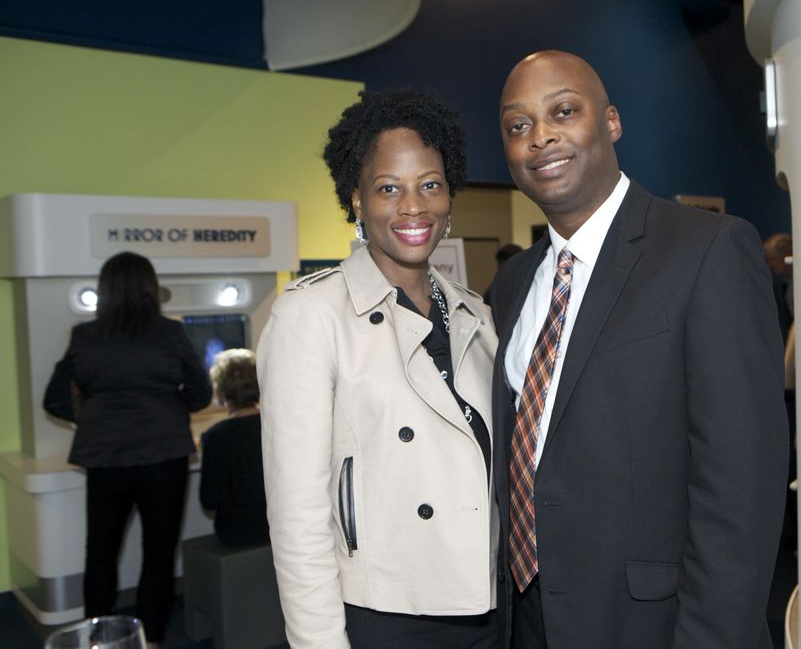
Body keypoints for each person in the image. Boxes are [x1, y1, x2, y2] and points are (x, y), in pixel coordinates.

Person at [490, 50, 788, 648]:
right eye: (517, 126)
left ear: (612, 122)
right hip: (528, 622)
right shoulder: (513, 283)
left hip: (655, 625)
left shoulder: (708, 250)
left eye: (564, 112)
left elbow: (740, 490)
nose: (540, 137)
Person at [257, 89, 498, 649]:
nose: (414, 207)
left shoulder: (476, 314)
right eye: (389, 188)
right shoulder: (311, 314)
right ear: (357, 199)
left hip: (488, 603)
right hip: (387, 615)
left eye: (430, 185)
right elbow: (298, 519)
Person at [43, 251, 212, 649]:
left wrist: (91, 419)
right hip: (164, 455)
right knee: (159, 552)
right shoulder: (171, 333)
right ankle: (150, 639)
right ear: (151, 289)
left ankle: (97, 638)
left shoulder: (85, 336)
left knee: (100, 552)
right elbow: (201, 392)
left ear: (104, 290)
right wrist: (170, 411)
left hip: (104, 458)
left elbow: (53, 399)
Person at [199, 348, 269, 546]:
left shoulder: (215, 437)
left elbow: (209, 501)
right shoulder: (277, 426)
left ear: (221, 391)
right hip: (277, 524)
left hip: (238, 531)